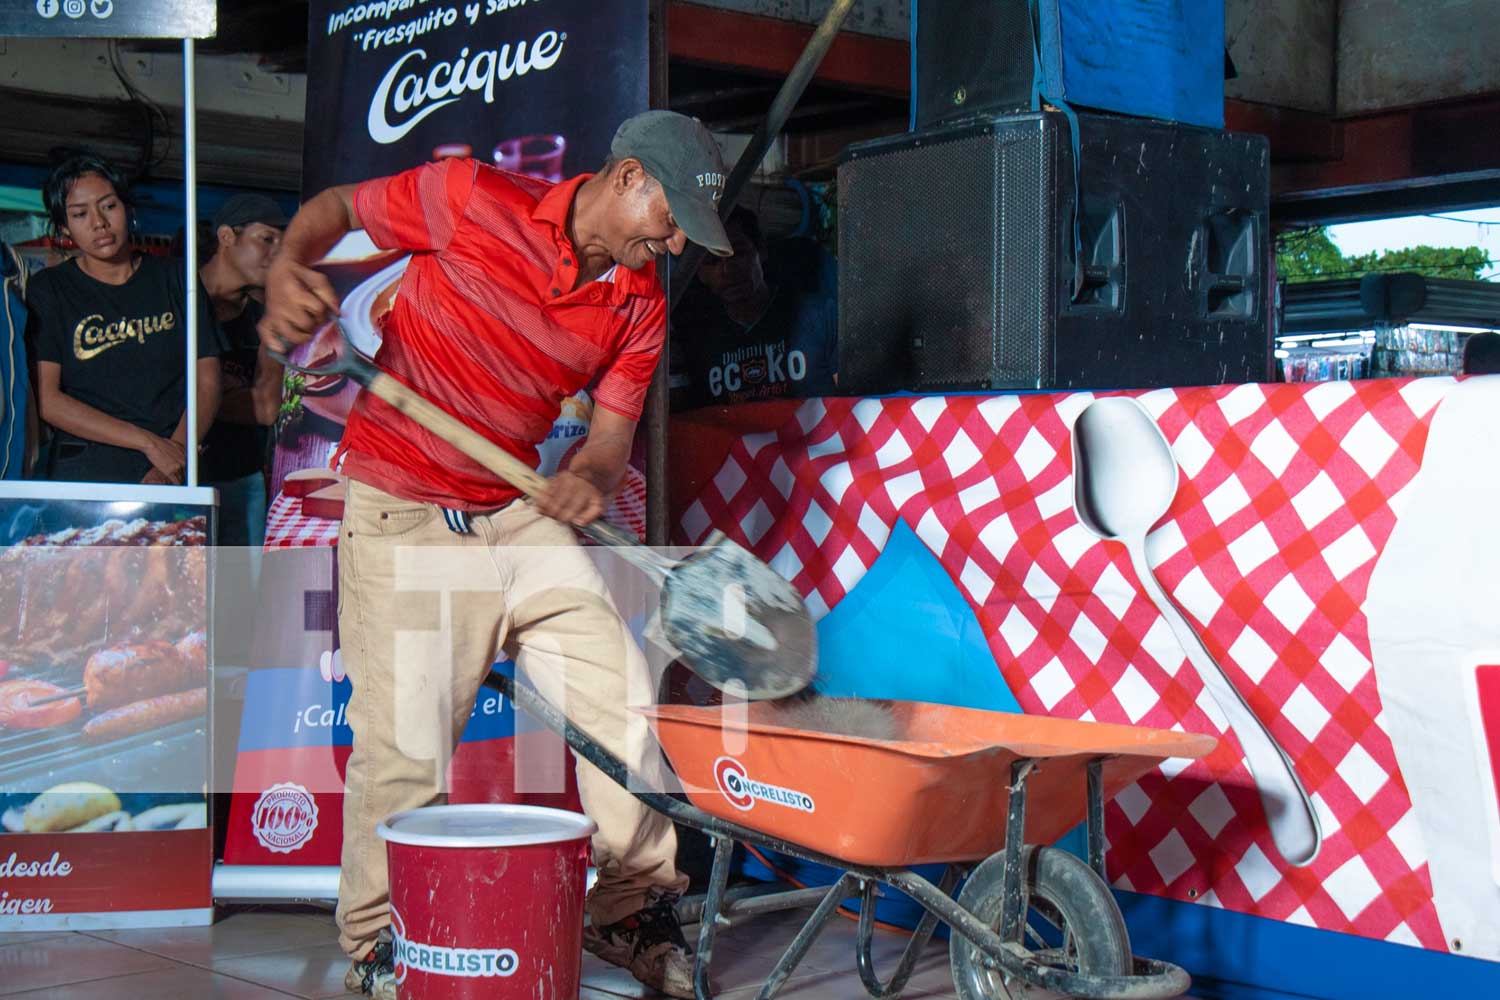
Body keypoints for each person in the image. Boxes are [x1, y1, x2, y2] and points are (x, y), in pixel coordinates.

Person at [259, 111, 733, 1000]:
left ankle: (628, 910)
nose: (672, 244)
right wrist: (290, 263)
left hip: (516, 513)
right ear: (629, 176)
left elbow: (610, 439)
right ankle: (375, 945)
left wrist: (589, 474)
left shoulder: (639, 304)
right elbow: (332, 209)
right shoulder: (470, 197)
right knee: (402, 747)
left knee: (619, 702)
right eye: (670, 221)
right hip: (403, 510)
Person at [26, 151, 220, 484]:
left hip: (176, 465)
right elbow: (49, 400)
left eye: (108, 206)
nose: (98, 222)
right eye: (79, 214)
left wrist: (170, 460)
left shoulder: (178, 277)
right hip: (88, 471)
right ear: (63, 226)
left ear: (127, 209)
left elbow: (207, 379)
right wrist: (149, 444)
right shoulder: (50, 289)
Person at [670, 205, 837, 410]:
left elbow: (854, 403)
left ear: (761, 251)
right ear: (699, 273)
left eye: (737, 253)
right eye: (711, 261)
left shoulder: (819, 315)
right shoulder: (699, 341)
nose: (727, 270)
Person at [199, 194, 287, 546]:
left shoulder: (265, 315)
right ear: (226, 236)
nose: (277, 253)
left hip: (239, 476)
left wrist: (203, 391)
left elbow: (266, 408)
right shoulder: (175, 295)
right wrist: (225, 391)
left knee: (238, 596)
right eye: (267, 239)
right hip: (176, 474)